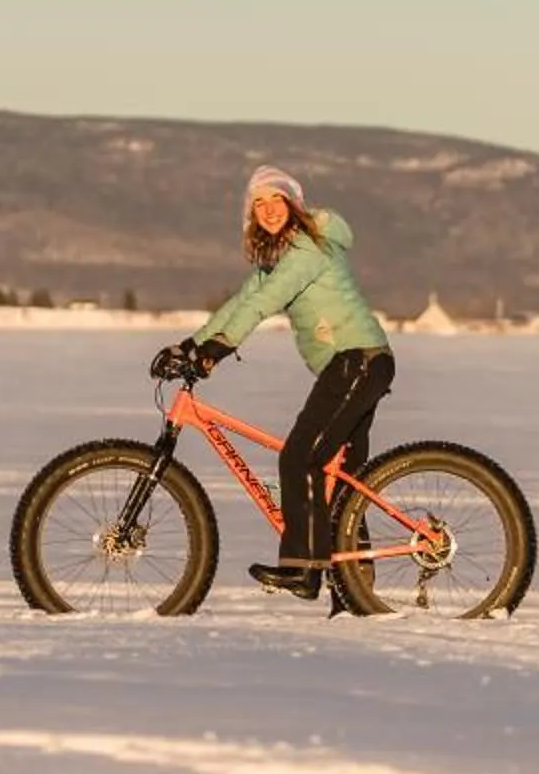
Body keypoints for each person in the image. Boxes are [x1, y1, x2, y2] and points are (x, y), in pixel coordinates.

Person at [156, 165, 393, 600]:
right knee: (340, 477)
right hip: (357, 363)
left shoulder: (307, 249)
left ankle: (303, 569)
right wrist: (194, 345)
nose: (267, 210)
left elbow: (265, 302)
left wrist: (219, 349)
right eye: (257, 204)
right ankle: (354, 590)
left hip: (356, 362)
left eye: (275, 200)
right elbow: (242, 300)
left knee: (301, 459)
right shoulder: (283, 254)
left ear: (293, 204)